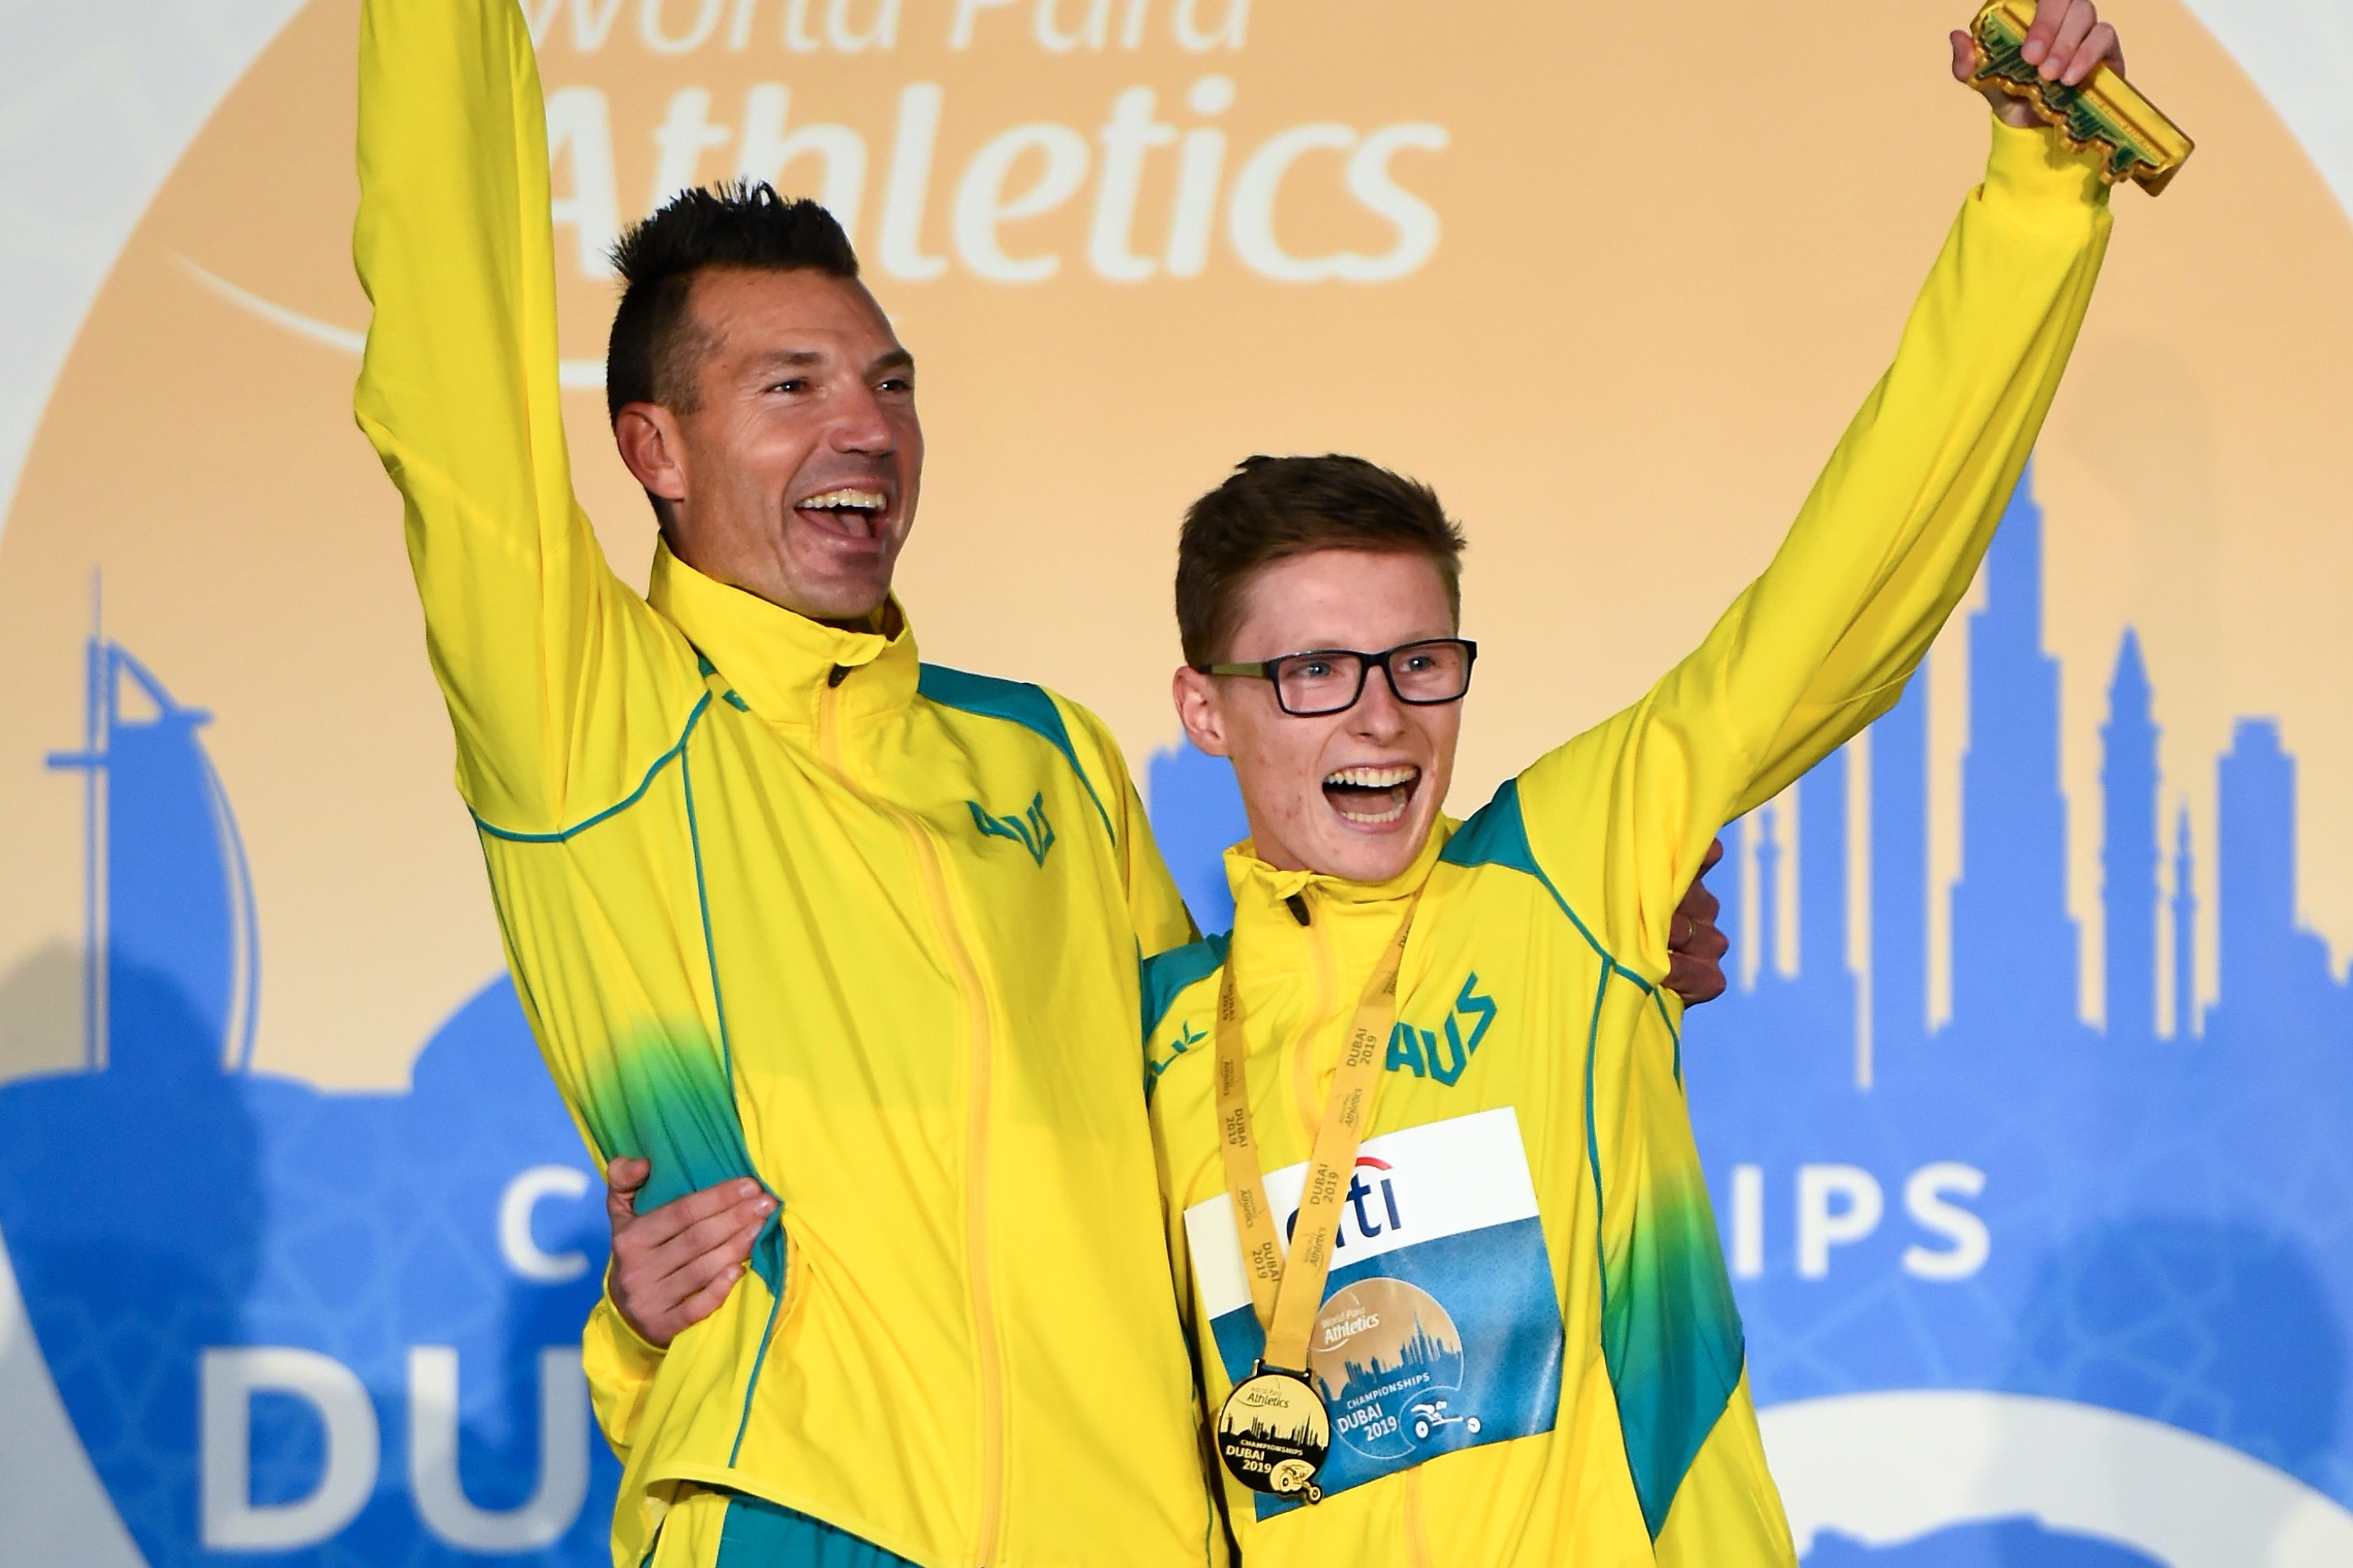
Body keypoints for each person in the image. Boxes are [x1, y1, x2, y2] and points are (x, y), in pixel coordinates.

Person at [351, 2, 1734, 1565]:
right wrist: (638, 1336)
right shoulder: (595, 726)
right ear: (653, 447)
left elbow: (1226, 1088)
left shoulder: (1049, 757)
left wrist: (1574, 957)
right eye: (790, 387)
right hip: (810, 1523)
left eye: (890, 381)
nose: (866, 423)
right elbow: (445, 377)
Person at [1138, 6, 2126, 1564]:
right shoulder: (1153, 1043)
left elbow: (1840, 590)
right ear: (1206, 707)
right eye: (1313, 672)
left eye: (1418, 659)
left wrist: (2034, 194)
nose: (1380, 717)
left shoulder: (1570, 868)